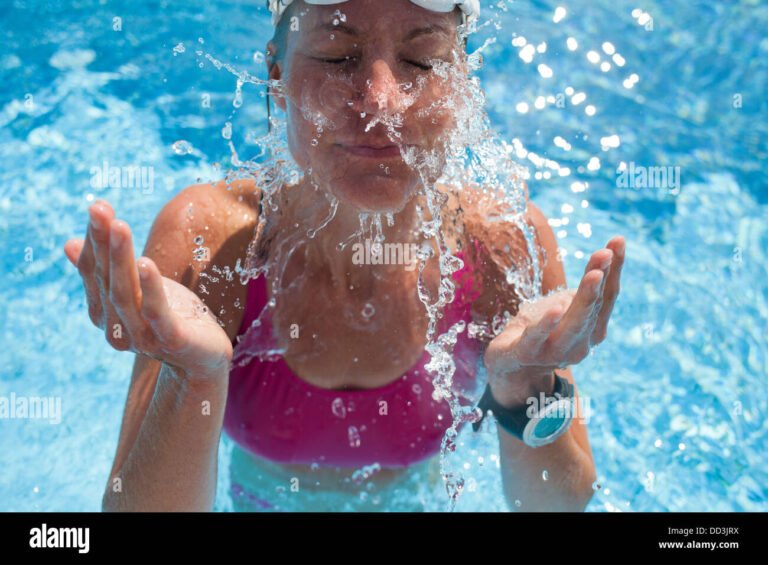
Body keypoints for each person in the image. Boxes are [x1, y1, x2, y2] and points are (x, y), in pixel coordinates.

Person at [63, 0, 625, 512]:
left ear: (462, 87)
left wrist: (525, 387)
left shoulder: (500, 244)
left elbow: (558, 507)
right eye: (338, 57)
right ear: (277, 76)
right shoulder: (212, 244)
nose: (381, 101)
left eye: (423, 61)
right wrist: (193, 380)